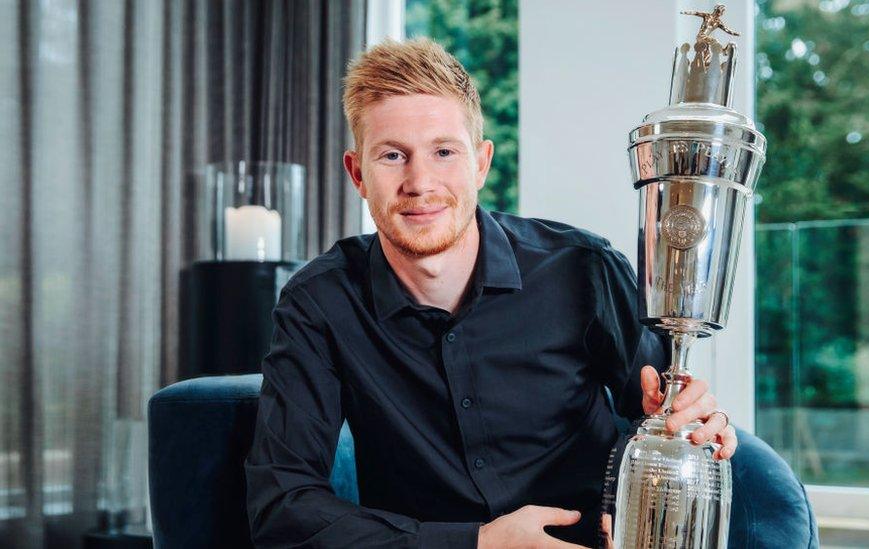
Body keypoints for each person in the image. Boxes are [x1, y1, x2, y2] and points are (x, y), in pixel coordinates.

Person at [244, 38, 737, 549]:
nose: (420, 181)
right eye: (392, 155)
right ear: (357, 174)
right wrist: (476, 543)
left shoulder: (583, 269)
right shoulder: (320, 301)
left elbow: (660, 415)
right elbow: (283, 505)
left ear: (480, 163)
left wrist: (697, 421)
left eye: (443, 152)